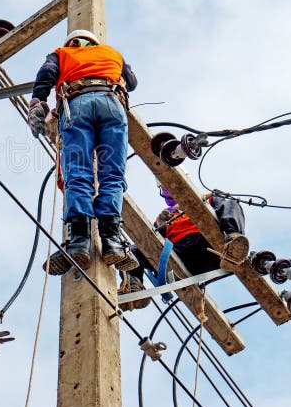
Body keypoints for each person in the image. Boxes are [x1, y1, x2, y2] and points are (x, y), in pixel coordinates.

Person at [28, 29, 138, 275]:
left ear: (72, 43)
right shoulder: (113, 53)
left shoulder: (61, 53)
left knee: (78, 174)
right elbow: (132, 82)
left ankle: (79, 242)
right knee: (113, 175)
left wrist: (38, 101)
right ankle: (112, 242)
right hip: (112, 103)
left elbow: (47, 73)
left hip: (77, 103)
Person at [119, 186, 246, 310]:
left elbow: (227, 207)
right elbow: (151, 242)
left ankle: (233, 243)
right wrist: (161, 224)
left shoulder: (207, 198)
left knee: (230, 201)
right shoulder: (167, 215)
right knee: (133, 250)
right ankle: (133, 285)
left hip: (208, 245)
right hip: (180, 254)